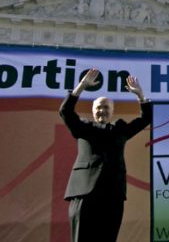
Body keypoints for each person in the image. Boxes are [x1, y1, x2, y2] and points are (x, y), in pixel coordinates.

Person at [59, 68, 152, 242]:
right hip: (84, 193)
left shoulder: (120, 129)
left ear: (112, 111)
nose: (102, 111)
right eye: (98, 108)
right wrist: (81, 86)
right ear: (93, 111)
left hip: (112, 195)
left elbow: (146, 118)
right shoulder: (83, 128)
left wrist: (140, 94)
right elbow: (66, 111)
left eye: (106, 108)